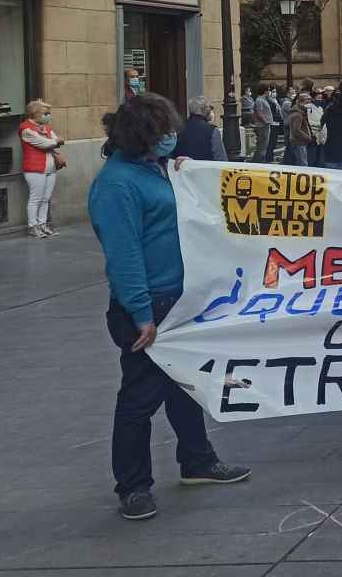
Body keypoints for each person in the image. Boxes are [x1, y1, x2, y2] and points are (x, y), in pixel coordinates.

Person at [90, 94, 250, 520]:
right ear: (142, 136)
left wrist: (184, 173)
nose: (171, 138)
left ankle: (197, 459)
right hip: (149, 307)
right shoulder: (116, 184)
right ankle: (133, 485)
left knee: (185, 385)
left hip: (179, 298)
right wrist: (141, 313)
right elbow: (123, 256)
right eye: (163, 133)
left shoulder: (154, 170)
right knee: (139, 399)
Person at [19, 99, 65, 238]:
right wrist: (55, 142)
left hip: (50, 167)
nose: (48, 116)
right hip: (34, 168)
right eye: (45, 113)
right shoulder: (26, 129)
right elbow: (45, 143)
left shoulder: (46, 127)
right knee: (36, 198)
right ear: (34, 114)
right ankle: (32, 226)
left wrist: (54, 142)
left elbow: (55, 141)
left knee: (46, 198)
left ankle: (42, 224)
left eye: (48, 113)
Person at [173, 97, 226, 163]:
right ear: (205, 109)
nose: (211, 111)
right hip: (206, 172)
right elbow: (221, 160)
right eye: (211, 108)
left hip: (181, 172)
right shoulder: (212, 131)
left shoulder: (178, 129)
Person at [283, 91, 316, 166]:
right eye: (307, 102)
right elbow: (296, 130)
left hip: (300, 141)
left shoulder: (300, 112)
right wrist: (308, 137)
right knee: (303, 163)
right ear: (302, 102)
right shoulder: (298, 114)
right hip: (299, 142)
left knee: (301, 162)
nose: (309, 104)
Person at [250, 84, 276, 162]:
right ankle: (257, 162)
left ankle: (260, 161)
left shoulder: (264, 99)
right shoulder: (259, 100)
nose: (269, 92)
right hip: (262, 126)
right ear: (265, 91)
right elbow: (259, 113)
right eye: (268, 90)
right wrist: (266, 121)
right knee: (261, 146)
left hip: (265, 125)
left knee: (264, 146)